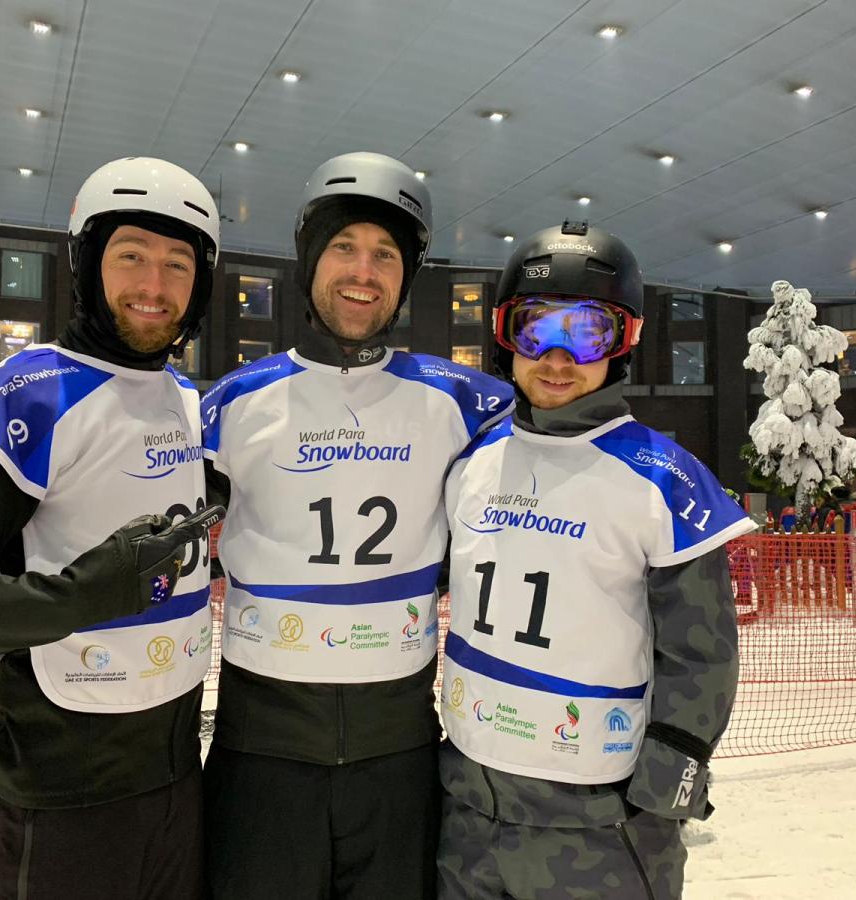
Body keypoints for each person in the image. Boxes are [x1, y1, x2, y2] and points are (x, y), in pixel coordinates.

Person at [0, 157, 223, 900]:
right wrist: (80, 595)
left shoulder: (187, 403)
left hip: (178, 781)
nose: (154, 287)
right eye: (131, 258)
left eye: (176, 265)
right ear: (87, 266)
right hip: (60, 795)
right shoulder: (26, 397)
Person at [200, 151, 514, 900]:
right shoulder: (233, 403)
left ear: (407, 276)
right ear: (309, 259)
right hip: (262, 753)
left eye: (384, 255)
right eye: (344, 247)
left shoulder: (466, 402)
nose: (362, 273)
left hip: (398, 755)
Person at [436, 223, 755, 899]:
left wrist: (662, 791)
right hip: (469, 812)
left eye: (587, 334)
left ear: (624, 341)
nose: (556, 357)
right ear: (502, 335)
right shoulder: (471, 459)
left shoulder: (663, 480)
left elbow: (703, 655)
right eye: (533, 330)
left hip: (596, 825)